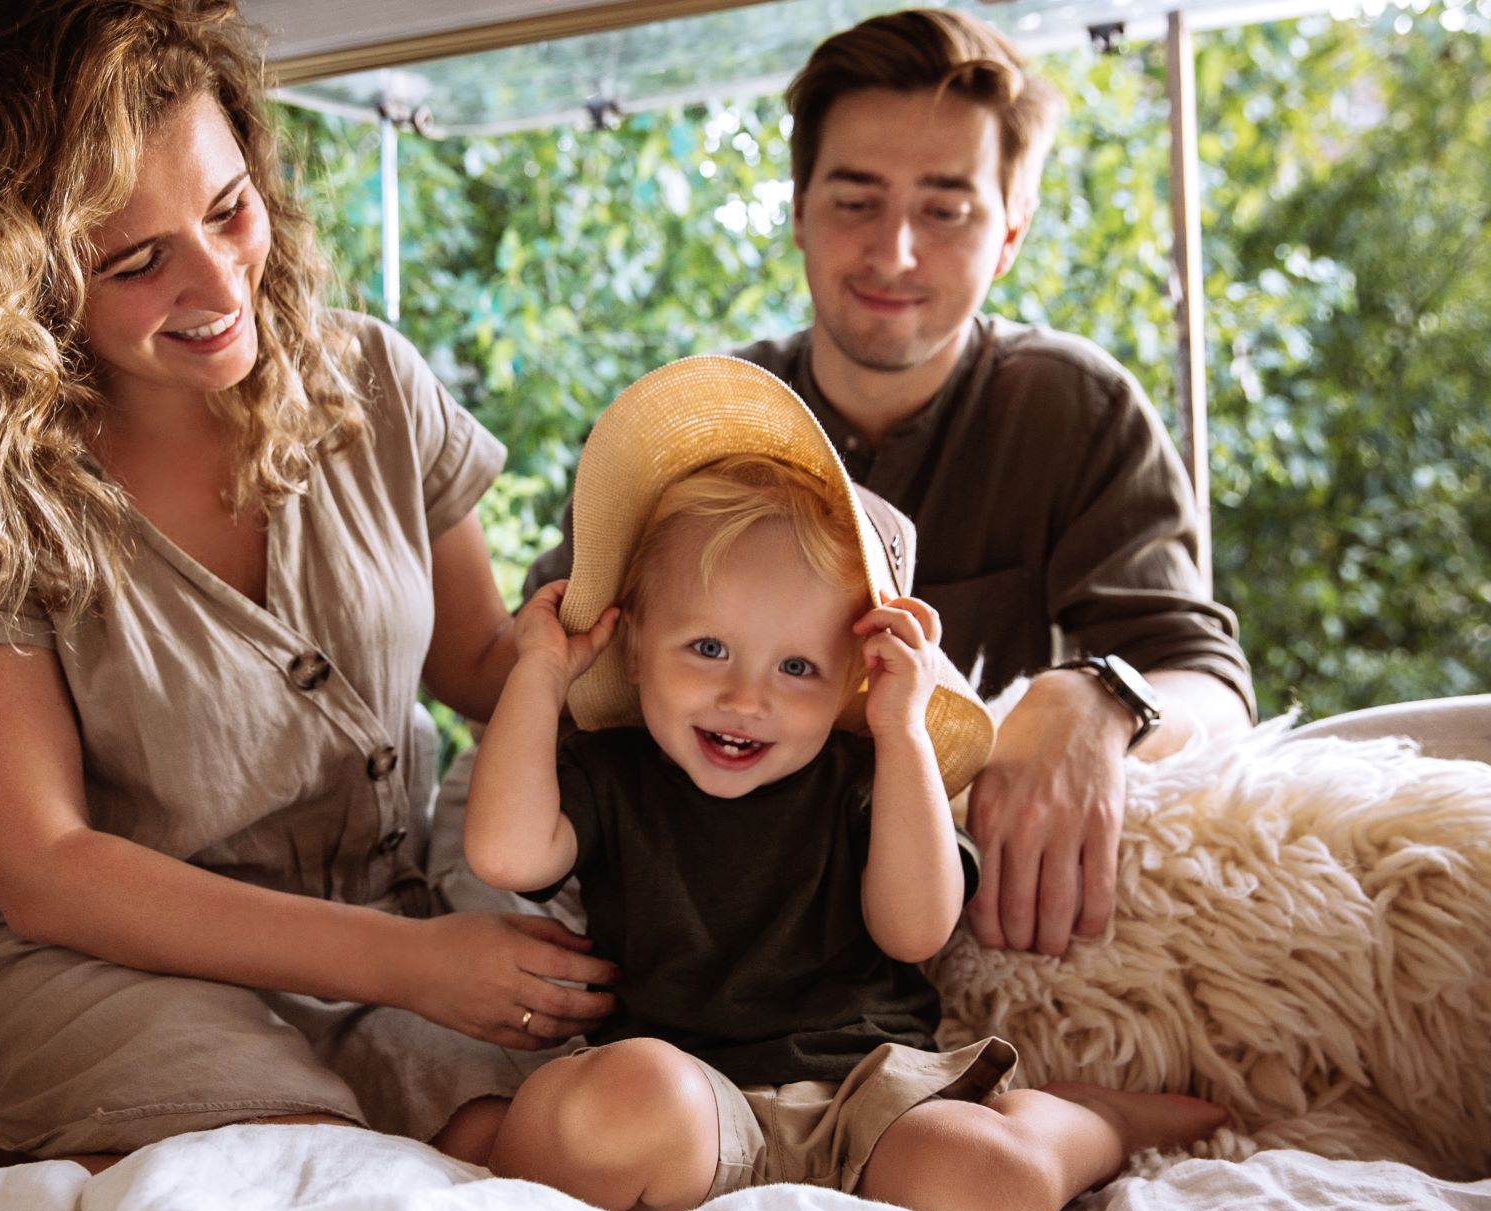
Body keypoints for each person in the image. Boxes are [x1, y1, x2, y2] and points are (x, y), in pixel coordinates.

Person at [0, 0, 612, 1179]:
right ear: (11, 281)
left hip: (379, 933)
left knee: (534, 1152)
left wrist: (674, 652)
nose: (219, 278)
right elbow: (48, 870)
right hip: (83, 959)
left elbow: (484, 665)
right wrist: (422, 967)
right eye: (136, 261)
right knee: (300, 1182)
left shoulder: (371, 378)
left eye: (229, 209)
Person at [525, 9, 1255, 957]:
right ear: (797, 210)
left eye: (946, 209)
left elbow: (1214, 686)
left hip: (937, 930)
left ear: (1010, 236)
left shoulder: (1074, 409)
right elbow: (553, 659)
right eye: (855, 199)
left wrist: (1094, 698)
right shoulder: (700, 421)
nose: (895, 252)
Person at [467, 357, 1227, 1211]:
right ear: (635, 649)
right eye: (707, 649)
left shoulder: (862, 781)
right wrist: (538, 674)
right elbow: (505, 850)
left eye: (798, 667)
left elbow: (915, 929)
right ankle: (526, 1131)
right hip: (687, 1106)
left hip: (868, 1099)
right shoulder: (617, 774)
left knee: (981, 1174)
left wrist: (903, 732)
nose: (745, 697)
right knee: (613, 1106)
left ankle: (1091, 1123)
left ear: (850, 684)